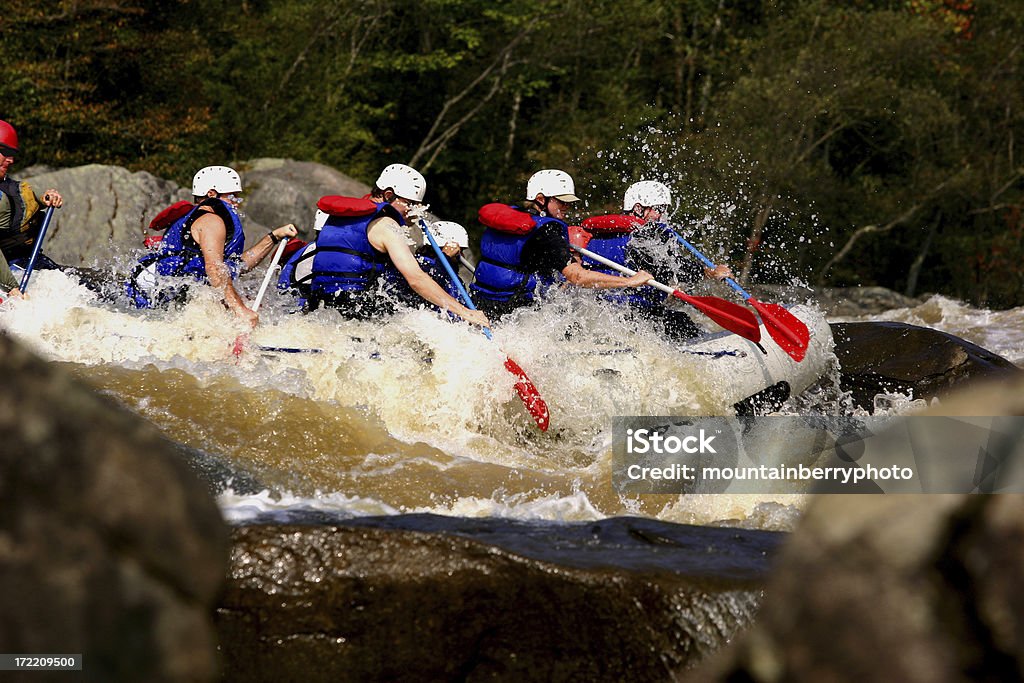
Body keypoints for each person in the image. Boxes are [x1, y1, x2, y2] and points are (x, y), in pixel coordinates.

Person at [294, 163, 488, 327]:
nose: (415, 211)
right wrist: (465, 313)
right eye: (410, 204)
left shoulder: (337, 218)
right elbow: (416, 279)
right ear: (388, 195)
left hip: (318, 307)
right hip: (356, 312)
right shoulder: (386, 224)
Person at [469, 168, 653, 319]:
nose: (567, 207)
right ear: (541, 199)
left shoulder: (508, 218)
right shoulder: (548, 231)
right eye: (562, 202)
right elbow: (578, 277)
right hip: (517, 313)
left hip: (480, 303)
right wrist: (629, 281)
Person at [125, 165, 297, 325]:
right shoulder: (210, 221)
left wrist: (274, 237)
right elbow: (215, 270)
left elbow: (238, 266)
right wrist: (240, 310)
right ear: (212, 194)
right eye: (232, 196)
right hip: (153, 291)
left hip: (176, 291)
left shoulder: (215, 219)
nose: (237, 202)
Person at [579, 180, 732, 341]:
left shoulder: (599, 235)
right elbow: (672, 267)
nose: (662, 216)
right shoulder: (639, 237)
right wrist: (709, 272)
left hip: (604, 313)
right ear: (638, 208)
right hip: (629, 313)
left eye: (664, 210)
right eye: (658, 210)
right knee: (682, 323)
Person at [0, 119, 64, 284]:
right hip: (8, 273)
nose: (11, 160)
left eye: (12, 154)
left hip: (25, 262)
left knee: (84, 290)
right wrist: (12, 288)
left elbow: (28, 195)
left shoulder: (11, 186)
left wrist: (47, 197)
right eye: (5, 152)